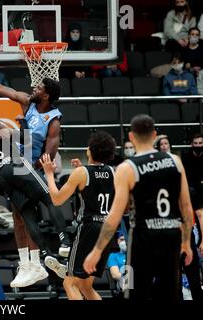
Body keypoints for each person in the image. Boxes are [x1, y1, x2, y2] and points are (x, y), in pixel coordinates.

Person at [0, 65, 72, 285]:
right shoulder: (0, 121)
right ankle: (56, 246)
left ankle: (42, 256)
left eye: (38, 86)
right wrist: (24, 123)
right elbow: (24, 138)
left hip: (4, 172)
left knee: (26, 215)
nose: (33, 87)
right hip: (19, 165)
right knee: (43, 202)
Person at [83, 114, 194, 300]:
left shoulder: (127, 168)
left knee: (137, 292)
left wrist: (96, 251)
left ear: (131, 137)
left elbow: (114, 216)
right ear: (155, 135)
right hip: (172, 234)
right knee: (171, 293)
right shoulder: (175, 161)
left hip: (144, 236)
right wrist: (186, 243)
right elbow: (186, 208)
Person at [41, 131, 116, 300]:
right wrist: (82, 169)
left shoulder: (82, 173)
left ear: (91, 150)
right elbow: (98, 182)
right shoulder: (113, 171)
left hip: (89, 230)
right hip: (108, 230)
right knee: (85, 286)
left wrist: (49, 174)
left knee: (70, 283)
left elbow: (57, 199)